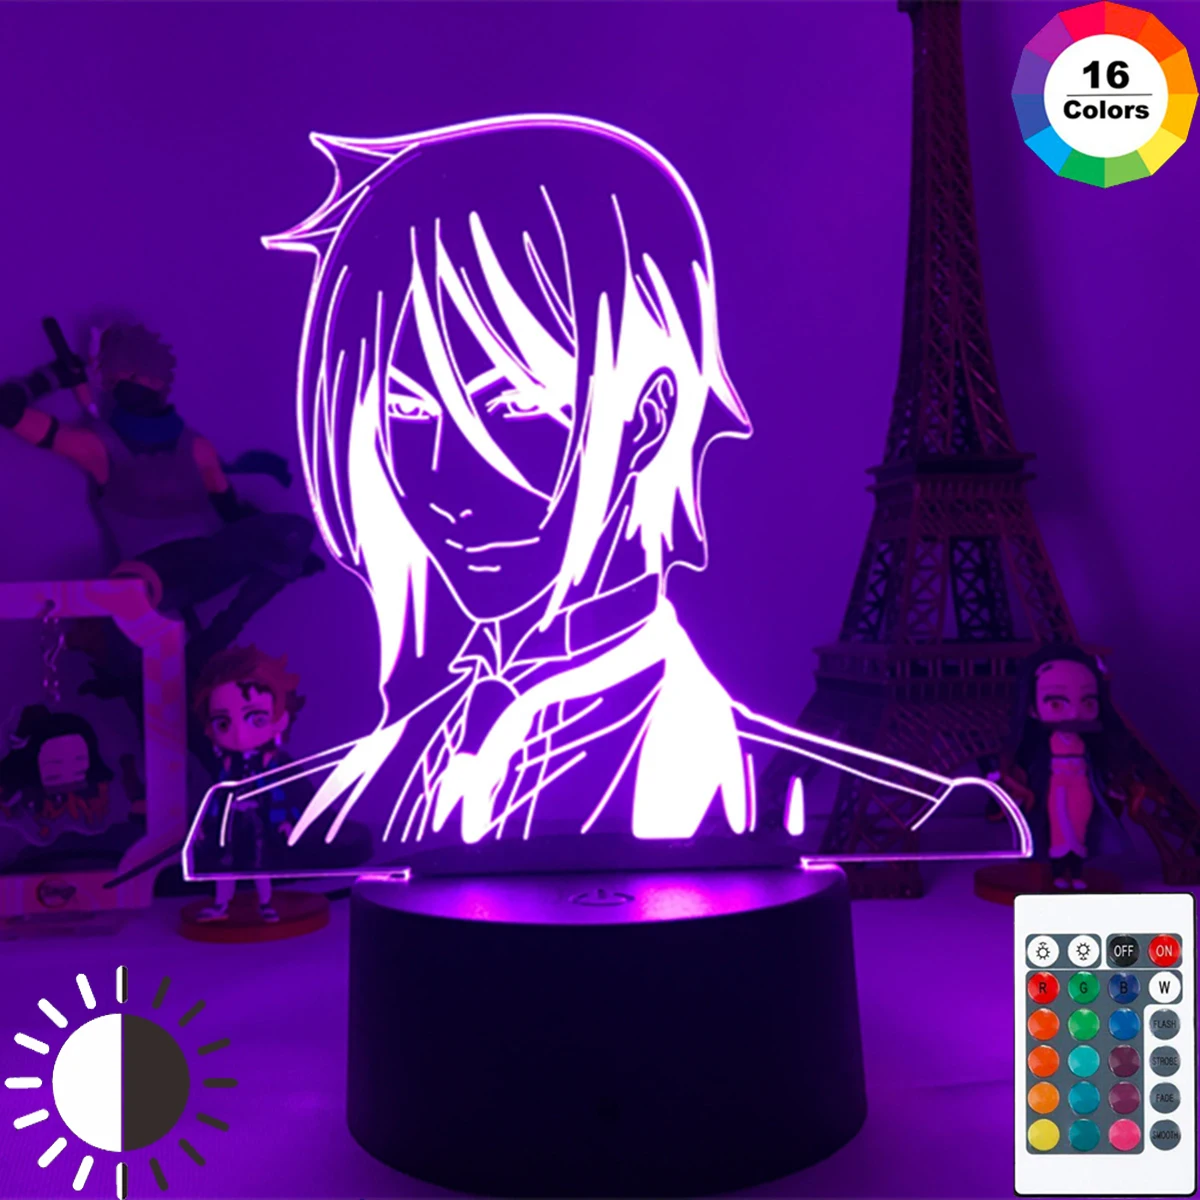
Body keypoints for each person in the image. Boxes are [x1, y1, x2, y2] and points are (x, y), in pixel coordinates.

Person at [185, 115, 1029, 883]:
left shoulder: (721, 766)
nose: (441, 484)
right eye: (405, 412)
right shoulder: (382, 767)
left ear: (650, 412)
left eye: (512, 405)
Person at [0, 322, 322, 680]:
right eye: (122, 376)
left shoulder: (197, 448)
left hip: (208, 558)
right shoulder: (96, 447)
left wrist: (284, 555)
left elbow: (232, 513)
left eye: (141, 375)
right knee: (126, 610)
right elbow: (8, 409)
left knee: (295, 531)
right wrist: (51, 378)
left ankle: (210, 644)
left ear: (160, 380)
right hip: (149, 574)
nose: (135, 383)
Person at [999, 644, 1132, 889]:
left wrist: (1114, 785)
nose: (1074, 714)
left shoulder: (1089, 744)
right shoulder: (1040, 747)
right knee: (1057, 829)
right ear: (1031, 708)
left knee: (1080, 828)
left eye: (1088, 702)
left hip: (1081, 785)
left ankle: (1077, 872)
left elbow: (1106, 764)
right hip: (1055, 786)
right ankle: (1058, 872)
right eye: (1056, 704)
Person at [190, 645, 306, 922]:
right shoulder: (227, 766)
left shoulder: (269, 764)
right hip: (229, 819)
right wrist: (202, 825)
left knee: (259, 862)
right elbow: (216, 797)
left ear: (280, 720)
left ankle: (265, 903)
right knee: (224, 862)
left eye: (256, 719)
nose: (240, 735)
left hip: (257, 818)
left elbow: (281, 794)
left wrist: (286, 821)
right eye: (223, 723)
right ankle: (221, 904)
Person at [0, 706, 115, 843]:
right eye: (55, 765)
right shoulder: (26, 802)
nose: (68, 774)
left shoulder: (89, 802)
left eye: (79, 762)